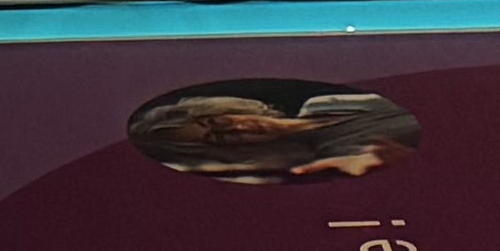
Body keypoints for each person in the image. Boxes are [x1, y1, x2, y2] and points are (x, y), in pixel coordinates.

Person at [125, 81, 425, 188]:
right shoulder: (335, 155)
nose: (239, 129)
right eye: (222, 140)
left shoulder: (323, 102)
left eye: (219, 122)